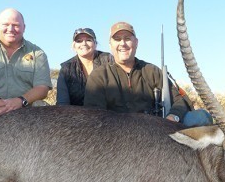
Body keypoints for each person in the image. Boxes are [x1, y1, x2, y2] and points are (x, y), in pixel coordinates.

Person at [84, 21, 212, 127]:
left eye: (127, 38)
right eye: (117, 39)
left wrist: (172, 117)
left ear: (136, 42)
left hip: (156, 132)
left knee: (201, 117)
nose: (122, 43)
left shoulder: (152, 71)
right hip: (118, 138)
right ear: (110, 45)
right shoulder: (99, 76)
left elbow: (180, 100)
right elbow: (94, 118)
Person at [56, 28, 112, 106]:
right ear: (74, 46)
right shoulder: (66, 69)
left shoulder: (108, 60)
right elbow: (62, 103)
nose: (84, 43)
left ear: (95, 44)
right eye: (79, 41)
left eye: (88, 40)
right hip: (77, 116)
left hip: (108, 114)